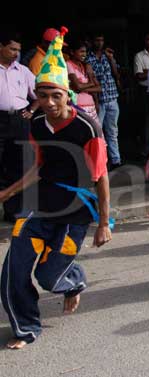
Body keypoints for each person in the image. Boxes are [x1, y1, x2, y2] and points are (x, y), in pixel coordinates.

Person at [0, 27, 112, 350]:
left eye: (55, 95)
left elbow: (101, 177)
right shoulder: (36, 124)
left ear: (68, 94)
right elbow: (38, 167)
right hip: (39, 204)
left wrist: (103, 224)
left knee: (50, 277)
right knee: (13, 269)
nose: (48, 102)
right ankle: (26, 328)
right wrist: (7, 194)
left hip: (73, 213)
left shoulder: (87, 127)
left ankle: (73, 281)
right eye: (42, 94)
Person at [0, 31, 38, 222]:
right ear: (1, 47)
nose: (16, 53)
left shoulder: (22, 71)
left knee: (20, 165)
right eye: (12, 49)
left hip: (19, 121)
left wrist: (33, 109)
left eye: (18, 50)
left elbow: (40, 91)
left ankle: (14, 211)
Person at [87, 33, 122, 170]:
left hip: (112, 97)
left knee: (113, 131)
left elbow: (116, 74)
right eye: (97, 40)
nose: (100, 43)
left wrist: (111, 59)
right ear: (92, 41)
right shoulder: (88, 58)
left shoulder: (108, 56)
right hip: (99, 100)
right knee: (98, 132)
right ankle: (101, 161)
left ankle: (116, 159)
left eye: (102, 40)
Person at [67, 40, 101, 122]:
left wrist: (82, 88)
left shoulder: (86, 66)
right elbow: (78, 86)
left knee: (96, 133)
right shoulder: (68, 64)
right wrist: (91, 84)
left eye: (85, 52)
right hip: (78, 107)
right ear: (72, 52)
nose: (84, 54)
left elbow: (99, 88)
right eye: (81, 52)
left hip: (91, 106)